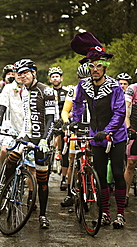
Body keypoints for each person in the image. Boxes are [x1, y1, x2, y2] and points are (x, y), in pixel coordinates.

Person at [71, 32, 127, 228]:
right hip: (96, 137)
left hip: (116, 137)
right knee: (100, 175)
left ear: (105, 66)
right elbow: (77, 105)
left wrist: (109, 131)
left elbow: (120, 112)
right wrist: (75, 122)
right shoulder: (83, 85)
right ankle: (104, 213)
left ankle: (120, 214)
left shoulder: (114, 87)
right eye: (91, 65)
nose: (95, 69)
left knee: (118, 174)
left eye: (98, 65)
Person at [13, 58, 56, 229]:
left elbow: (51, 119)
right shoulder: (23, 91)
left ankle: (43, 215)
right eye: (19, 74)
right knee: (11, 157)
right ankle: (8, 188)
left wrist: (46, 139)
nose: (23, 77)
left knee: (42, 180)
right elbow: (26, 117)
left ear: (33, 72)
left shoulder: (46, 91)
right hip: (28, 136)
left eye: (25, 73)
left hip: (42, 139)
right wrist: (22, 134)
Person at [60, 64, 91, 207]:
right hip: (77, 129)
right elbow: (65, 111)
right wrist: (66, 123)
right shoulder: (73, 90)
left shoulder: (97, 89)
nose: (85, 80)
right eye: (82, 78)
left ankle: (93, 187)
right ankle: (70, 193)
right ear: (78, 78)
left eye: (88, 77)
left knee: (94, 160)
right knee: (72, 160)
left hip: (93, 128)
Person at [48, 66, 69, 190]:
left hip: (63, 123)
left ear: (61, 78)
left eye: (57, 76)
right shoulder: (47, 92)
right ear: (50, 80)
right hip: (51, 123)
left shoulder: (66, 92)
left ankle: (64, 178)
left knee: (65, 152)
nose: (55, 78)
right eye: (53, 77)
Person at [124, 75, 137, 207]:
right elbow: (126, 109)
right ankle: (125, 195)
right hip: (134, 128)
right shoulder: (132, 89)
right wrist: (128, 127)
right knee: (131, 163)